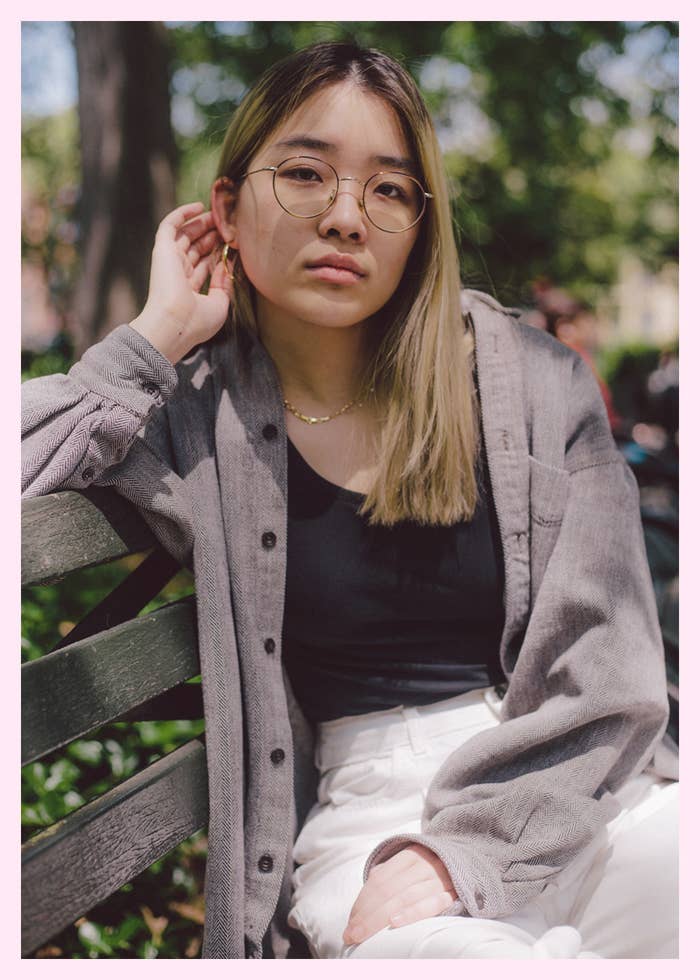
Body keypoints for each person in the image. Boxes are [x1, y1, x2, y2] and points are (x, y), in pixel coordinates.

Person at [21, 41, 678, 959]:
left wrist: (468, 853)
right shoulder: (192, 416)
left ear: (420, 226)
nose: (345, 218)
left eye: (389, 190)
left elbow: (610, 675)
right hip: (367, 817)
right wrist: (153, 337)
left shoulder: (531, 383)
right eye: (303, 175)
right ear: (227, 211)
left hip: (565, 783)